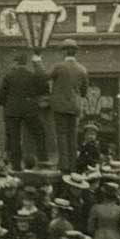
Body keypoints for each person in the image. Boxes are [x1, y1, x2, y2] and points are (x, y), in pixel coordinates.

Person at [0, 52, 48, 169]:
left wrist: (8, 103)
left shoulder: (8, 76)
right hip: (29, 109)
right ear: (25, 63)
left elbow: (0, 98)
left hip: (12, 111)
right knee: (39, 133)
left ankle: (16, 166)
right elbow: (42, 89)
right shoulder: (32, 75)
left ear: (15, 62)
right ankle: (43, 160)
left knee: (14, 138)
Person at [47, 41, 90, 173]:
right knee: (72, 136)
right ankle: (73, 166)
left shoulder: (58, 67)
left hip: (60, 107)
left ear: (64, 52)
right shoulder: (82, 69)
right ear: (75, 52)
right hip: (75, 107)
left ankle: (64, 166)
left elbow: (46, 77)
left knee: (62, 135)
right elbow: (84, 92)